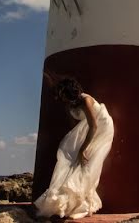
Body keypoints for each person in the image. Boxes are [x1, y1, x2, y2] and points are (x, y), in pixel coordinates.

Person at [34, 77, 115, 219]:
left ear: (70, 90)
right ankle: (69, 201)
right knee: (70, 158)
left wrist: (82, 148)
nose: (60, 96)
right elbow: (76, 125)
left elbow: (94, 126)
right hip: (87, 129)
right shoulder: (70, 104)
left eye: (62, 93)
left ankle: (82, 204)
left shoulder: (86, 100)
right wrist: (77, 145)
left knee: (88, 163)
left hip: (101, 127)